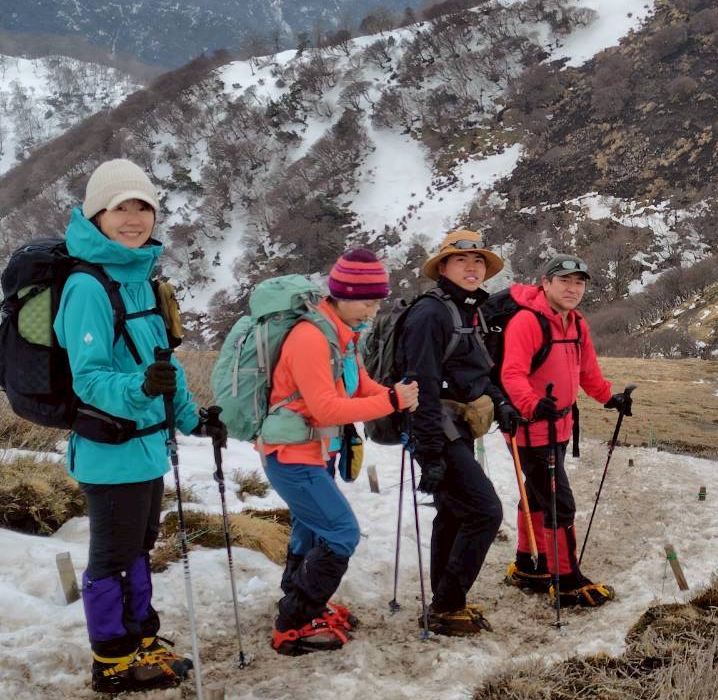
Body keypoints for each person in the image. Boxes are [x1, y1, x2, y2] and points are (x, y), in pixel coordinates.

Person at [54, 159, 227, 693]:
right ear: (96, 215)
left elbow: (165, 366)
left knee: (137, 546)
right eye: (120, 208)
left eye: (143, 207)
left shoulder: (142, 280)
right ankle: (111, 658)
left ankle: (140, 637)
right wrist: (141, 389)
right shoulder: (87, 286)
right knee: (112, 555)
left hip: (148, 448)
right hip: (109, 452)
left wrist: (193, 419)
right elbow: (88, 379)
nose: (133, 219)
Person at [263, 249, 419, 655]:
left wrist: (393, 394)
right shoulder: (311, 338)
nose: (374, 309)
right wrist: (393, 402)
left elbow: (359, 383)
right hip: (293, 455)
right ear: (343, 295)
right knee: (341, 532)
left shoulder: (342, 334)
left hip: (317, 450)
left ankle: (300, 601)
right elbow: (327, 408)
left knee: (311, 529)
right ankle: (294, 621)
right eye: (367, 301)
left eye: (378, 301)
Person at [501, 253, 633, 607]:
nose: (573, 289)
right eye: (565, 281)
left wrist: (609, 398)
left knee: (538, 494)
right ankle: (566, 581)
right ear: (545, 283)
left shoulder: (575, 323)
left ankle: (530, 565)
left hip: (559, 427)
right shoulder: (527, 321)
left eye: (579, 283)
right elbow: (512, 373)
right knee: (559, 502)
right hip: (530, 430)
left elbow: (586, 371)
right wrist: (531, 405)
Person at [401, 230, 516, 636]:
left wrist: (500, 402)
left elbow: (478, 372)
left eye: (478, 260)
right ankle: (447, 605)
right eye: (462, 259)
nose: (472, 267)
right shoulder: (430, 315)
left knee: (453, 513)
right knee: (485, 511)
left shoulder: (471, 311)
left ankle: (446, 602)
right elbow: (421, 386)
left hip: (457, 426)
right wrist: (430, 453)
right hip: (436, 428)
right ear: (443, 267)